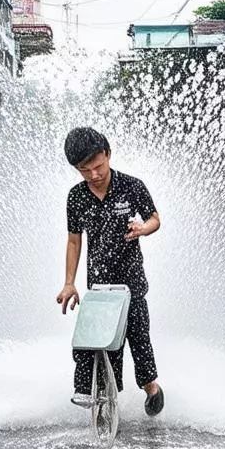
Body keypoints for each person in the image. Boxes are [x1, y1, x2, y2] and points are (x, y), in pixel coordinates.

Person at [57, 127, 165, 416]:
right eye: (85, 170)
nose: (94, 174)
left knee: (138, 339)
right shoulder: (76, 197)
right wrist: (69, 283)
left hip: (131, 283)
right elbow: (73, 240)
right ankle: (99, 396)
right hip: (99, 287)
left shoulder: (132, 186)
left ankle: (151, 387)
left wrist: (144, 228)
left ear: (108, 154)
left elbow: (155, 219)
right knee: (97, 342)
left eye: (98, 166)